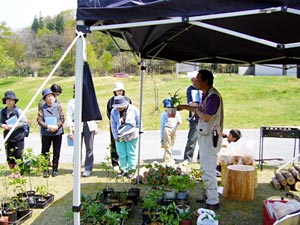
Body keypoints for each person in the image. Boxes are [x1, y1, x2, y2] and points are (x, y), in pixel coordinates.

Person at [177, 69, 223, 210]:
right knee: (204, 167)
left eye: (197, 79)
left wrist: (195, 110)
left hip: (210, 137)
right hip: (205, 136)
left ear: (205, 81)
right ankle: (208, 196)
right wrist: (184, 107)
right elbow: (200, 109)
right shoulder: (206, 94)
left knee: (208, 169)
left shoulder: (213, 96)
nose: (195, 81)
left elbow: (206, 116)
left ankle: (213, 201)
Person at [66, 84, 99, 177]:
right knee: (77, 148)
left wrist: (96, 125)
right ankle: (76, 168)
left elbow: (94, 114)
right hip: (77, 126)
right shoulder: (71, 102)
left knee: (89, 148)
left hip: (89, 125)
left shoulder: (89, 101)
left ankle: (88, 168)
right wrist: (70, 130)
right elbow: (69, 117)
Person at [110, 95, 139, 179]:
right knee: (121, 153)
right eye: (117, 106)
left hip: (131, 134)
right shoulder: (113, 111)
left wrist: (138, 131)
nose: (119, 108)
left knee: (131, 153)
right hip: (119, 135)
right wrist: (115, 136)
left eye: (120, 106)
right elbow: (113, 125)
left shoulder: (133, 109)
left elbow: (138, 121)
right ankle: (124, 169)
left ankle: (131, 170)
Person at [37, 88, 64, 177]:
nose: (50, 98)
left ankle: (55, 169)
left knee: (56, 151)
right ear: (44, 99)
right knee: (45, 151)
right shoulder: (42, 108)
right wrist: (48, 126)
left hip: (57, 132)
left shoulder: (58, 106)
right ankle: (45, 170)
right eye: (48, 97)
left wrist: (57, 125)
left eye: (51, 96)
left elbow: (62, 118)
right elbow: (39, 120)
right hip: (46, 132)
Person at [1, 91, 28, 175]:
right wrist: (3, 125)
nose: (10, 102)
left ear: (14, 101)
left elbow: (24, 122)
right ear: (5, 101)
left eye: (12, 100)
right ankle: (12, 172)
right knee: (9, 155)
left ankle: (19, 172)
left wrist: (14, 126)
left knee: (18, 154)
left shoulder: (18, 111)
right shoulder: (2, 111)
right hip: (8, 137)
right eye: (8, 100)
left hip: (18, 136)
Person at [106, 82, 132, 172]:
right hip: (115, 126)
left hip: (126, 126)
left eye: (121, 90)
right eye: (117, 91)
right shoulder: (111, 101)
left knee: (126, 143)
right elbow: (109, 114)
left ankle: (126, 163)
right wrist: (116, 121)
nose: (119, 92)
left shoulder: (128, 100)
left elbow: (131, 112)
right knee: (114, 142)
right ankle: (115, 162)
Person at [183, 72, 201, 164]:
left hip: (204, 117)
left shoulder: (203, 89)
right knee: (192, 138)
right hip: (194, 116)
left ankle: (200, 158)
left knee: (203, 139)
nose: (194, 82)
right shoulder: (190, 89)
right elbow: (191, 103)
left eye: (195, 80)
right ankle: (188, 157)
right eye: (192, 80)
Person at [160, 98, 182, 164]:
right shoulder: (163, 115)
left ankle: (166, 158)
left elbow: (180, 120)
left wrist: (178, 122)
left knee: (171, 145)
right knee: (167, 145)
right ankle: (167, 160)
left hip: (174, 129)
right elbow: (162, 126)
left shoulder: (176, 113)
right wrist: (162, 138)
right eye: (168, 107)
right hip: (167, 129)